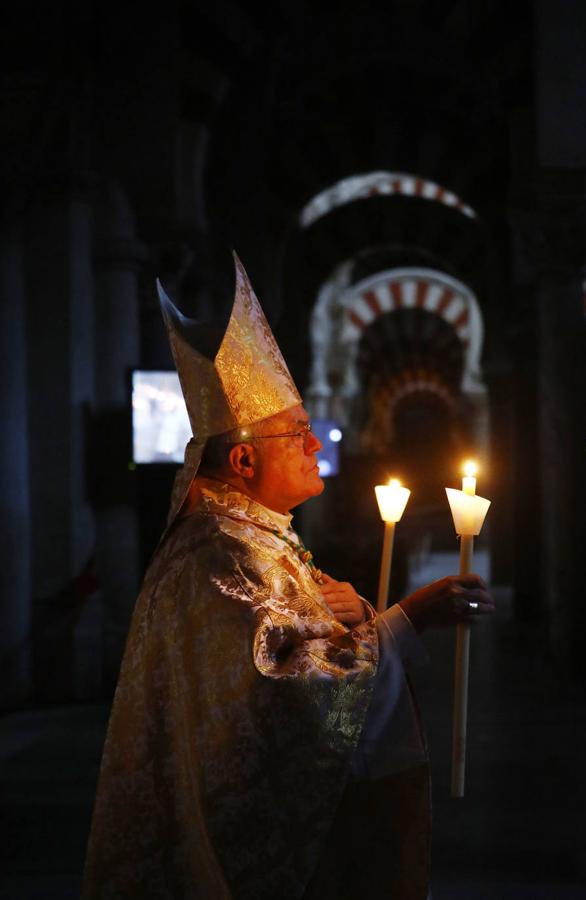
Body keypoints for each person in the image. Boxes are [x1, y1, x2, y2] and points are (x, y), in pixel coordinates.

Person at [83, 253, 494, 900]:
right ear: (243, 457)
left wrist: (355, 615)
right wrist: (408, 619)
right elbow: (287, 695)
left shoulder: (254, 536)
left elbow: (296, 643)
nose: (314, 446)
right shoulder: (222, 551)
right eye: (297, 433)